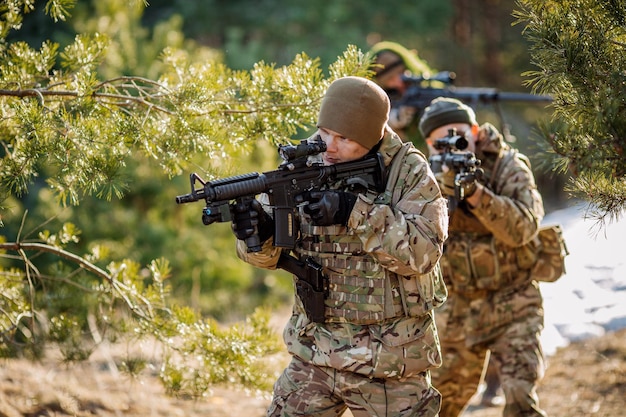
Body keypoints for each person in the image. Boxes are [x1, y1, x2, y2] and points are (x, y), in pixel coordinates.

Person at [231, 76, 449, 417]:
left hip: (390, 361)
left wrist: (354, 211)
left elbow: (422, 254)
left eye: (344, 138)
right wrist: (259, 232)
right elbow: (265, 258)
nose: (329, 147)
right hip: (315, 354)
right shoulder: (307, 160)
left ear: (373, 136)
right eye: (324, 132)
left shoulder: (407, 173)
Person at [418, 97, 548, 417]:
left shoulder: (507, 165)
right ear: (429, 145)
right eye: (440, 141)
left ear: (475, 132)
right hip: (458, 306)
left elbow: (524, 228)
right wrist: (444, 191)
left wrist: (476, 194)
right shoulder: (423, 176)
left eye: (459, 136)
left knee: (519, 398)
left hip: (513, 301)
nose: (451, 147)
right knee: (438, 404)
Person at [369, 41, 432, 143]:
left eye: (401, 73)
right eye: (391, 79)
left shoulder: (424, 88)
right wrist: (393, 120)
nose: (399, 82)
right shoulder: (378, 97)